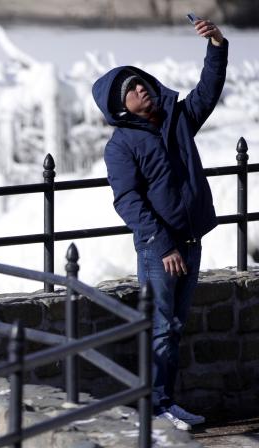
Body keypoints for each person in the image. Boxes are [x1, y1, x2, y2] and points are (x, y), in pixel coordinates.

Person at [91, 18, 227, 430]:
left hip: (190, 239)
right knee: (162, 327)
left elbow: (208, 91)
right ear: (119, 106)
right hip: (159, 248)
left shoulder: (176, 120)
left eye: (141, 82)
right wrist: (162, 244)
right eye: (131, 89)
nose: (141, 88)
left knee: (174, 325)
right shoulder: (121, 146)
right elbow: (127, 200)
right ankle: (157, 407)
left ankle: (165, 403)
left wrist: (217, 45)